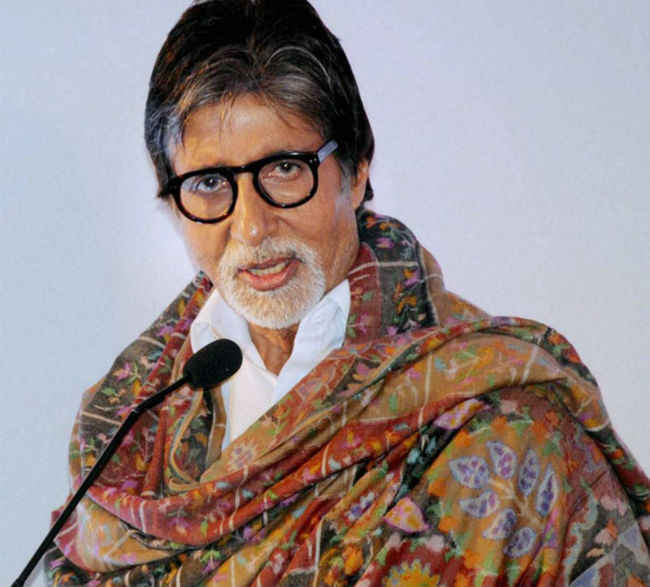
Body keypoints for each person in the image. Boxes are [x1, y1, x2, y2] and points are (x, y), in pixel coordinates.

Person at [45, 1, 650, 585]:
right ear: (173, 202)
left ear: (356, 171)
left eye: (285, 169)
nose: (251, 227)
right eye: (209, 183)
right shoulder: (126, 429)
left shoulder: (505, 426)